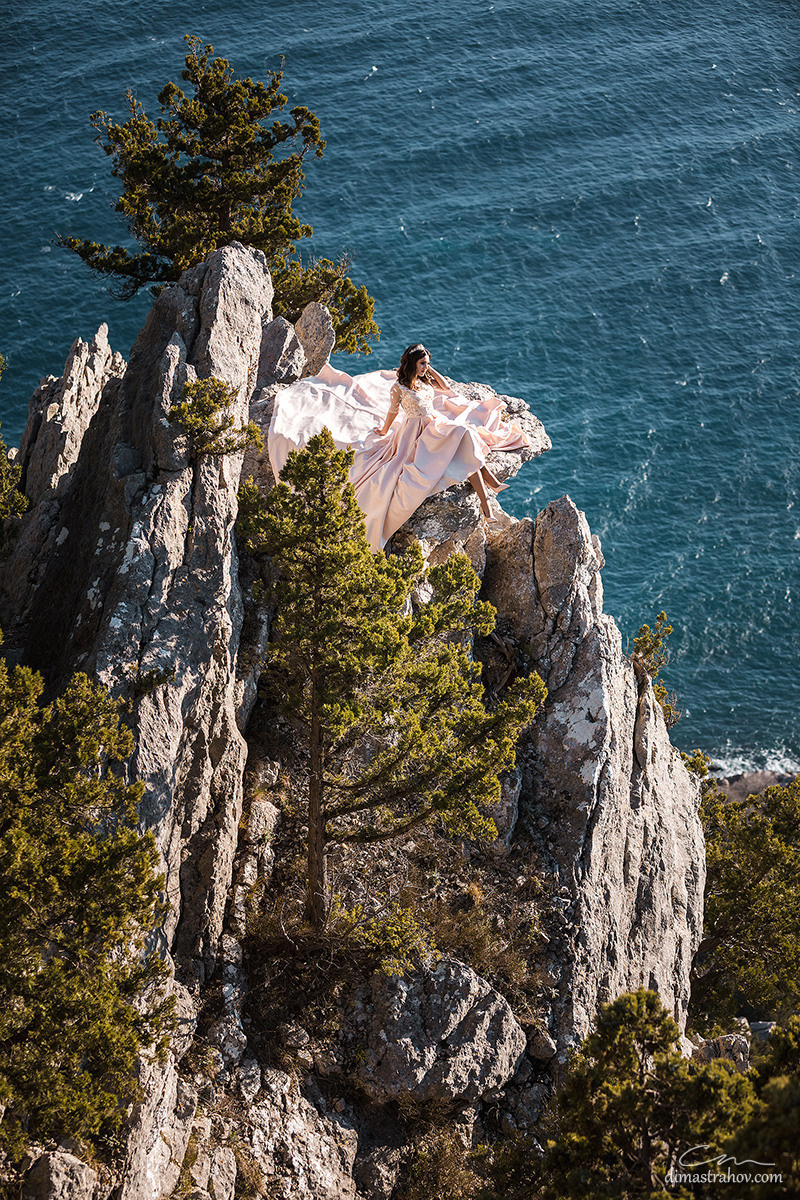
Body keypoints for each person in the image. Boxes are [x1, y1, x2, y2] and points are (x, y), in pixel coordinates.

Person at [267, 342, 529, 552]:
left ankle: (487, 502)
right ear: (412, 364)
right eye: (423, 363)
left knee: (465, 435)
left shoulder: (425, 380)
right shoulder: (400, 388)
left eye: (427, 363)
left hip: (433, 426)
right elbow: (392, 413)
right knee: (463, 436)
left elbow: (446, 389)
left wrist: (430, 368)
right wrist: (383, 430)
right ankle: (489, 493)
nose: (426, 367)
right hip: (413, 434)